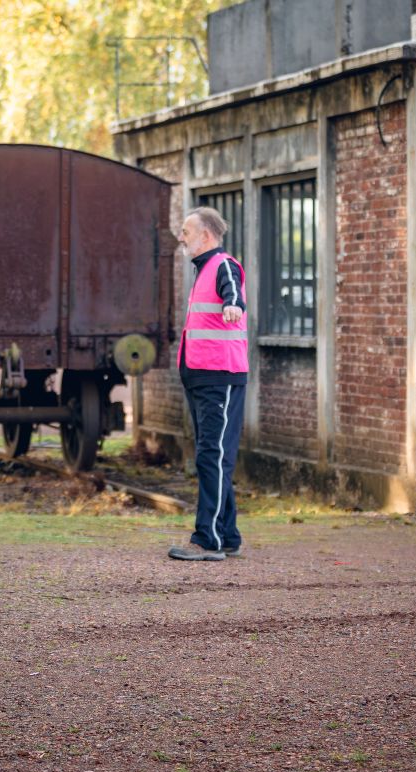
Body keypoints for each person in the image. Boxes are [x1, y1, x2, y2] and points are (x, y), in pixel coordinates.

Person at [168, 207, 248, 562]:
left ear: (206, 235)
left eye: (186, 231)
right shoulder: (203, 269)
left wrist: (233, 305)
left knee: (211, 456)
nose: (181, 238)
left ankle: (207, 540)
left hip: (219, 377)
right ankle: (226, 535)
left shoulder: (223, 265)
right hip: (202, 377)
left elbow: (233, 293)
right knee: (212, 456)